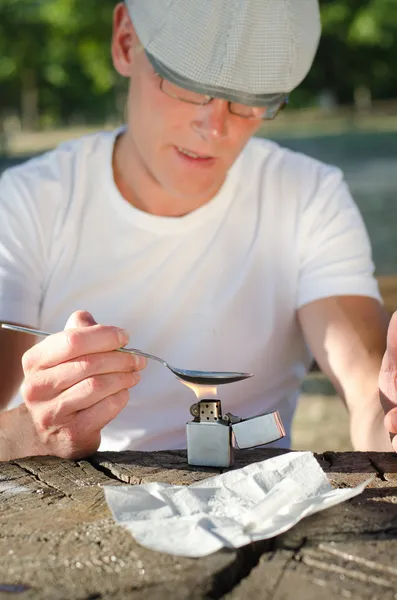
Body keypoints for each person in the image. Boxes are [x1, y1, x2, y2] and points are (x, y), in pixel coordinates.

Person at [0, 0, 395, 462]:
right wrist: (30, 434)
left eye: (250, 101)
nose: (214, 127)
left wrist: (389, 423)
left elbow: (369, 392)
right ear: (126, 41)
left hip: (257, 514)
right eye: (188, 87)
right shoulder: (28, 202)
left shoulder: (307, 196)